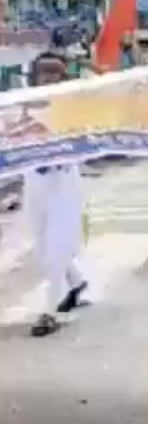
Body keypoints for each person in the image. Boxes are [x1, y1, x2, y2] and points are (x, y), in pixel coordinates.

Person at [22, 52, 89, 337]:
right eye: (44, 72)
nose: (50, 77)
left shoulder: (74, 105)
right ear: (34, 76)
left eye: (56, 72)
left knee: (57, 246)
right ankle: (77, 281)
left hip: (63, 180)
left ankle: (51, 311)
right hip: (34, 181)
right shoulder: (19, 105)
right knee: (40, 244)